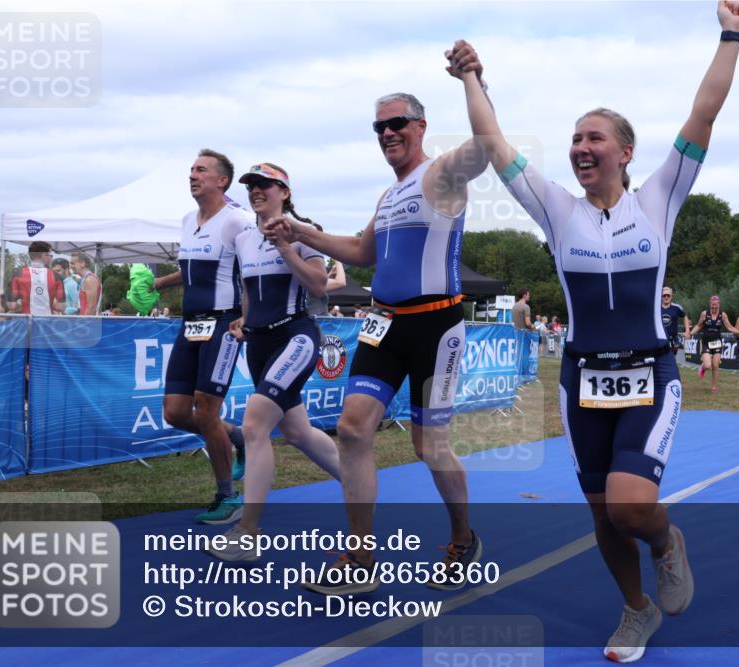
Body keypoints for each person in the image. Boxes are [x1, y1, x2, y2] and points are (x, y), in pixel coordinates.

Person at [447, 0, 739, 659]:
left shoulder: (660, 198)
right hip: (582, 377)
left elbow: (705, 111)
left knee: (631, 506)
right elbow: (495, 144)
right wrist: (472, 78)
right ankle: (635, 609)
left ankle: (667, 543)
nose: (581, 148)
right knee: (600, 511)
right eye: (575, 139)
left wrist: (731, 33)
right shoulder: (557, 209)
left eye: (594, 138)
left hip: (650, 374)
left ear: (625, 151)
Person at [270, 85, 489, 595]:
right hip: (384, 325)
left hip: (435, 327)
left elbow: (486, 141)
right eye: (379, 127)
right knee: (351, 430)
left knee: (428, 446)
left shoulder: (442, 175)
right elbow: (361, 250)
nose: (388, 133)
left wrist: (472, 80)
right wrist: (296, 231)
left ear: (420, 127)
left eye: (397, 124)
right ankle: (361, 556)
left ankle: (463, 538)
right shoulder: (389, 195)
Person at [207, 162, 341, 561]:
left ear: (284, 191)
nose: (256, 192)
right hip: (259, 343)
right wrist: (245, 319)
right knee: (298, 432)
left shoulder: (302, 231)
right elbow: (249, 289)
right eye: (251, 186)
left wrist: (286, 245)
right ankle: (359, 482)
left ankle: (248, 533)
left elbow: (319, 285)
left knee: (254, 424)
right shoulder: (245, 237)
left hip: (295, 336)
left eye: (265, 185)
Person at [152, 149, 251, 524]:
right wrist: (159, 283)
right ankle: (237, 439)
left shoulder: (237, 220)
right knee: (176, 412)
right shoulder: (186, 220)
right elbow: (191, 269)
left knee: (207, 410)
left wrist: (246, 316)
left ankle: (228, 497)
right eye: (191, 169)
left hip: (224, 325)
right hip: (190, 324)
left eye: (201, 170)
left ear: (222, 180)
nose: (192, 175)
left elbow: (253, 270)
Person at [689, 295, 739, 393]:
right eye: (712, 306)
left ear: (719, 304)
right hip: (706, 342)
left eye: (716, 305)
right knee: (707, 365)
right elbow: (699, 325)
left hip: (717, 343)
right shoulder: (704, 314)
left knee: (715, 365)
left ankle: (714, 387)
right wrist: (690, 333)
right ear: (710, 304)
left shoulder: (723, 315)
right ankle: (703, 367)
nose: (714, 308)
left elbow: (730, 328)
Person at [9, 241, 64, 315]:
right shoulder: (56, 276)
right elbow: (60, 307)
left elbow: (11, 306)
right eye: (51, 254)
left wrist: (24, 303)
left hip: (26, 321)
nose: (52, 257)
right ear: (44, 255)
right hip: (47, 321)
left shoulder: (18, 273)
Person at [660, 287, 691, 356]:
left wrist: (687, 330)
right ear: (661, 296)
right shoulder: (657, 307)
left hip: (673, 339)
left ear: (671, 296)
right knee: (660, 358)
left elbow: (685, 316)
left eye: (668, 295)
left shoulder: (676, 307)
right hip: (660, 338)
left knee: (672, 359)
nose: (666, 297)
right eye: (664, 295)